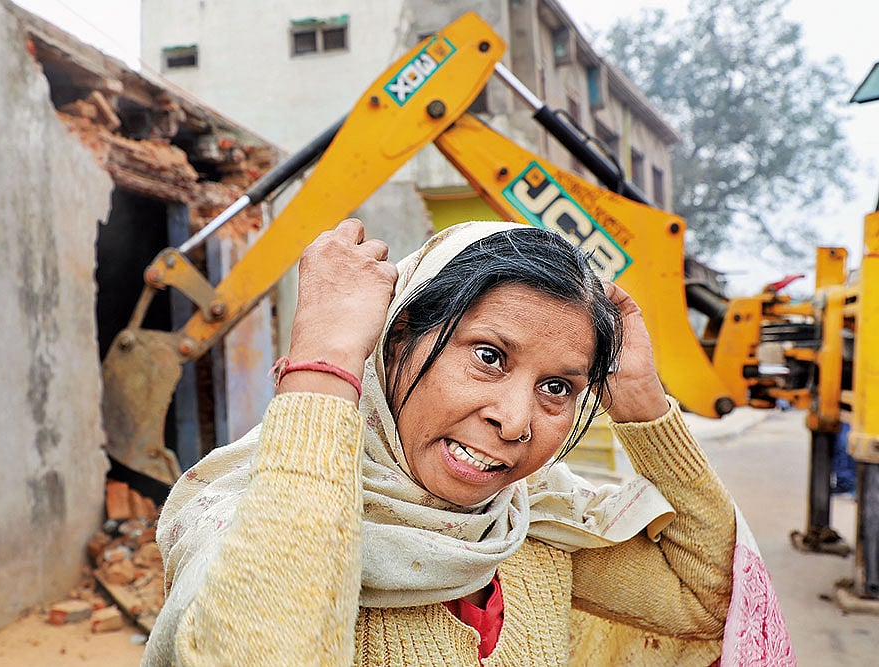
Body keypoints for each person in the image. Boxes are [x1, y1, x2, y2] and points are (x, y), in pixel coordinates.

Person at [142, 219, 792, 666]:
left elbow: (715, 599)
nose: (516, 421)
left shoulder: (530, 531)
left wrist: (644, 401)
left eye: (558, 388)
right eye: (488, 356)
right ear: (395, 336)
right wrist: (325, 361)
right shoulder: (250, 520)